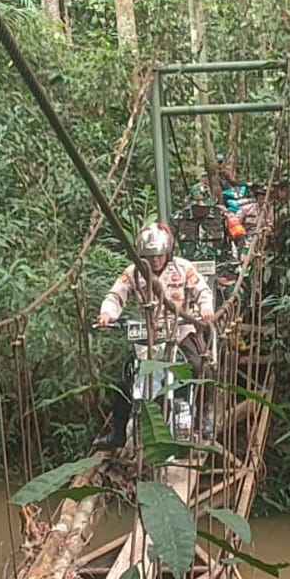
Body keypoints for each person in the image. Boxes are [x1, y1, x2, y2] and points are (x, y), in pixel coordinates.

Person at [92, 222, 215, 449]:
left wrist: (206, 308)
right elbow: (115, 294)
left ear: (168, 252)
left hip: (180, 330)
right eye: (149, 256)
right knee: (123, 380)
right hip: (148, 335)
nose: (155, 260)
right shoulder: (134, 272)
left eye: (159, 255)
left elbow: (202, 290)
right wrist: (107, 314)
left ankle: (203, 418)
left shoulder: (183, 268)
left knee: (199, 367)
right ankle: (117, 432)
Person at [173, 184, 239, 263]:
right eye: (197, 207)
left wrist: (243, 254)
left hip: (220, 268)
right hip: (187, 269)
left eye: (204, 207)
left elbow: (239, 236)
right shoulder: (179, 218)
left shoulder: (223, 215)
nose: (201, 209)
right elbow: (168, 242)